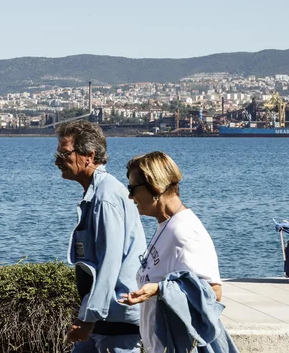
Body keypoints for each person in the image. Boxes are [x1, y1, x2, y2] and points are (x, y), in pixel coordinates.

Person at [119, 151, 237, 353]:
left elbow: (214, 292)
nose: (130, 196)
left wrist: (159, 289)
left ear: (155, 186)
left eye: (133, 188)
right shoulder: (166, 224)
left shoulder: (184, 232)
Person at [54, 120, 146, 353]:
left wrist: (89, 319)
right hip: (102, 319)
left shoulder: (106, 197)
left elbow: (109, 262)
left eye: (65, 153)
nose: (57, 160)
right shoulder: (97, 193)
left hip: (116, 320)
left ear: (89, 156)